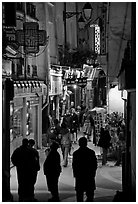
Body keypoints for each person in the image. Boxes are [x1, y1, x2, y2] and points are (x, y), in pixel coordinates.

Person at [72, 137, 97, 202]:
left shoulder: (76, 154)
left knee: (79, 195)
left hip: (80, 176)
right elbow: (94, 165)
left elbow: (74, 165)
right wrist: (93, 173)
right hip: (89, 176)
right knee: (90, 195)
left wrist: (75, 174)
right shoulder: (91, 153)